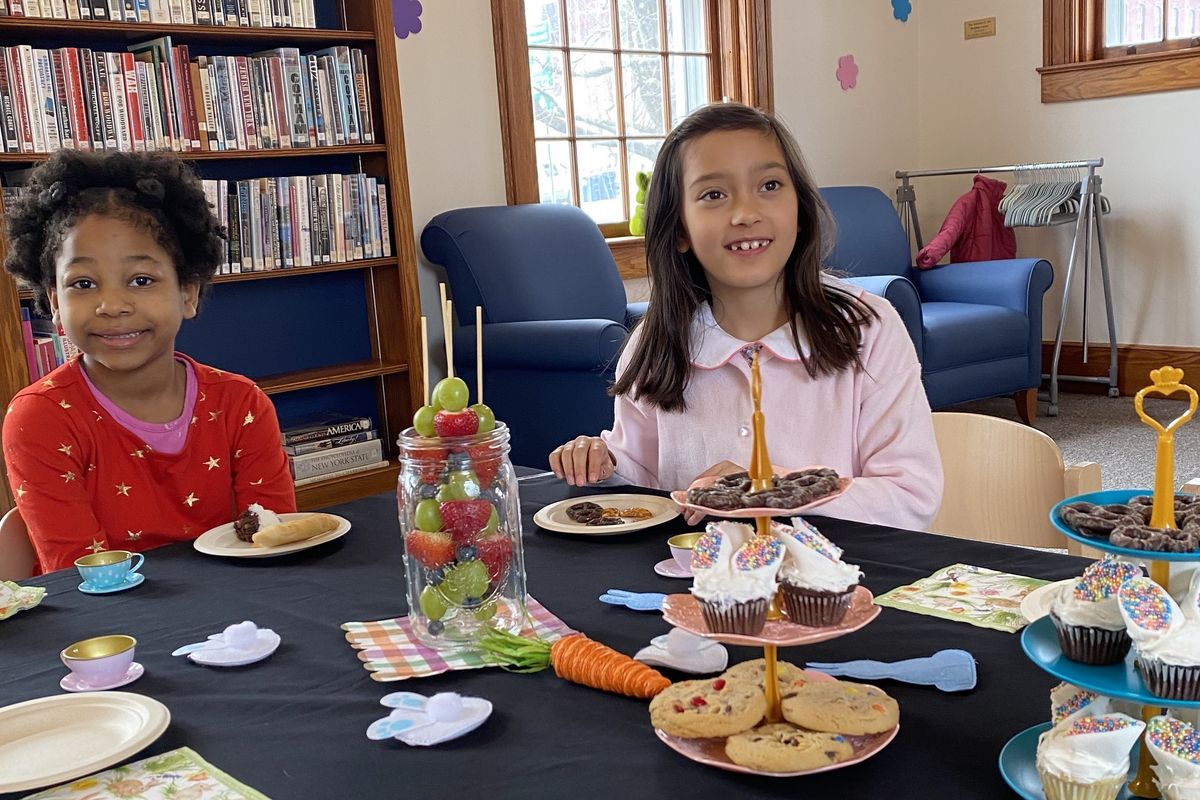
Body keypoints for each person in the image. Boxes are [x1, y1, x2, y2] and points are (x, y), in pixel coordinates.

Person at [548, 103, 942, 531]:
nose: (746, 214)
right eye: (713, 195)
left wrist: (764, 490)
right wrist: (603, 465)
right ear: (679, 229)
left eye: (769, 185)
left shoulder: (866, 328)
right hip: (694, 572)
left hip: (840, 570)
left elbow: (911, 497)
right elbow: (644, 482)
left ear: (799, 208)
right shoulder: (654, 345)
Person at [2, 150, 295, 573]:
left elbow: (273, 541)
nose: (112, 305)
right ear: (54, 303)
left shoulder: (242, 405)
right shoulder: (41, 419)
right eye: (82, 284)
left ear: (188, 293)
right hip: (106, 612)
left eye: (141, 280)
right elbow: (84, 575)